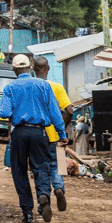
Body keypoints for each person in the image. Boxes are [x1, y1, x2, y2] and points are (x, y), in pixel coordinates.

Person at [0, 54, 65, 223]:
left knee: (19, 170)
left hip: (19, 132)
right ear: (30, 68)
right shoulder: (44, 85)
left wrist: (16, 110)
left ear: (15, 70)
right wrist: (62, 134)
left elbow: (4, 112)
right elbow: (55, 113)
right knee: (41, 167)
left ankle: (27, 212)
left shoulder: (10, 88)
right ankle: (43, 196)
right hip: (39, 133)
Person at [33, 56, 72, 212]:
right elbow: (69, 110)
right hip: (56, 135)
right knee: (57, 165)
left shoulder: (32, 87)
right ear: (48, 69)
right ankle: (59, 188)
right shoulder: (57, 87)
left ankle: (43, 196)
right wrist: (61, 128)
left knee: (40, 167)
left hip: (37, 135)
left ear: (34, 70)